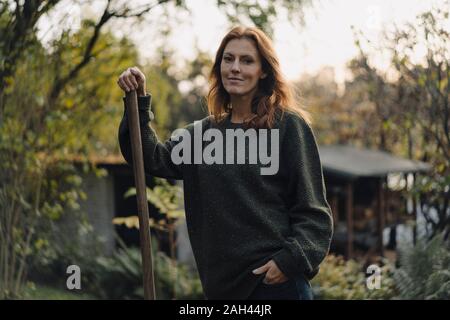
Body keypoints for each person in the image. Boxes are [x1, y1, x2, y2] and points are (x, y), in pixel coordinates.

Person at [117, 26, 333, 300]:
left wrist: (289, 261)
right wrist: (137, 100)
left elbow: (314, 213)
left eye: (247, 60)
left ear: (263, 71)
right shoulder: (202, 135)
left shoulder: (287, 127)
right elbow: (150, 158)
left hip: (275, 286)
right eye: (228, 59)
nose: (235, 68)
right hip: (222, 291)